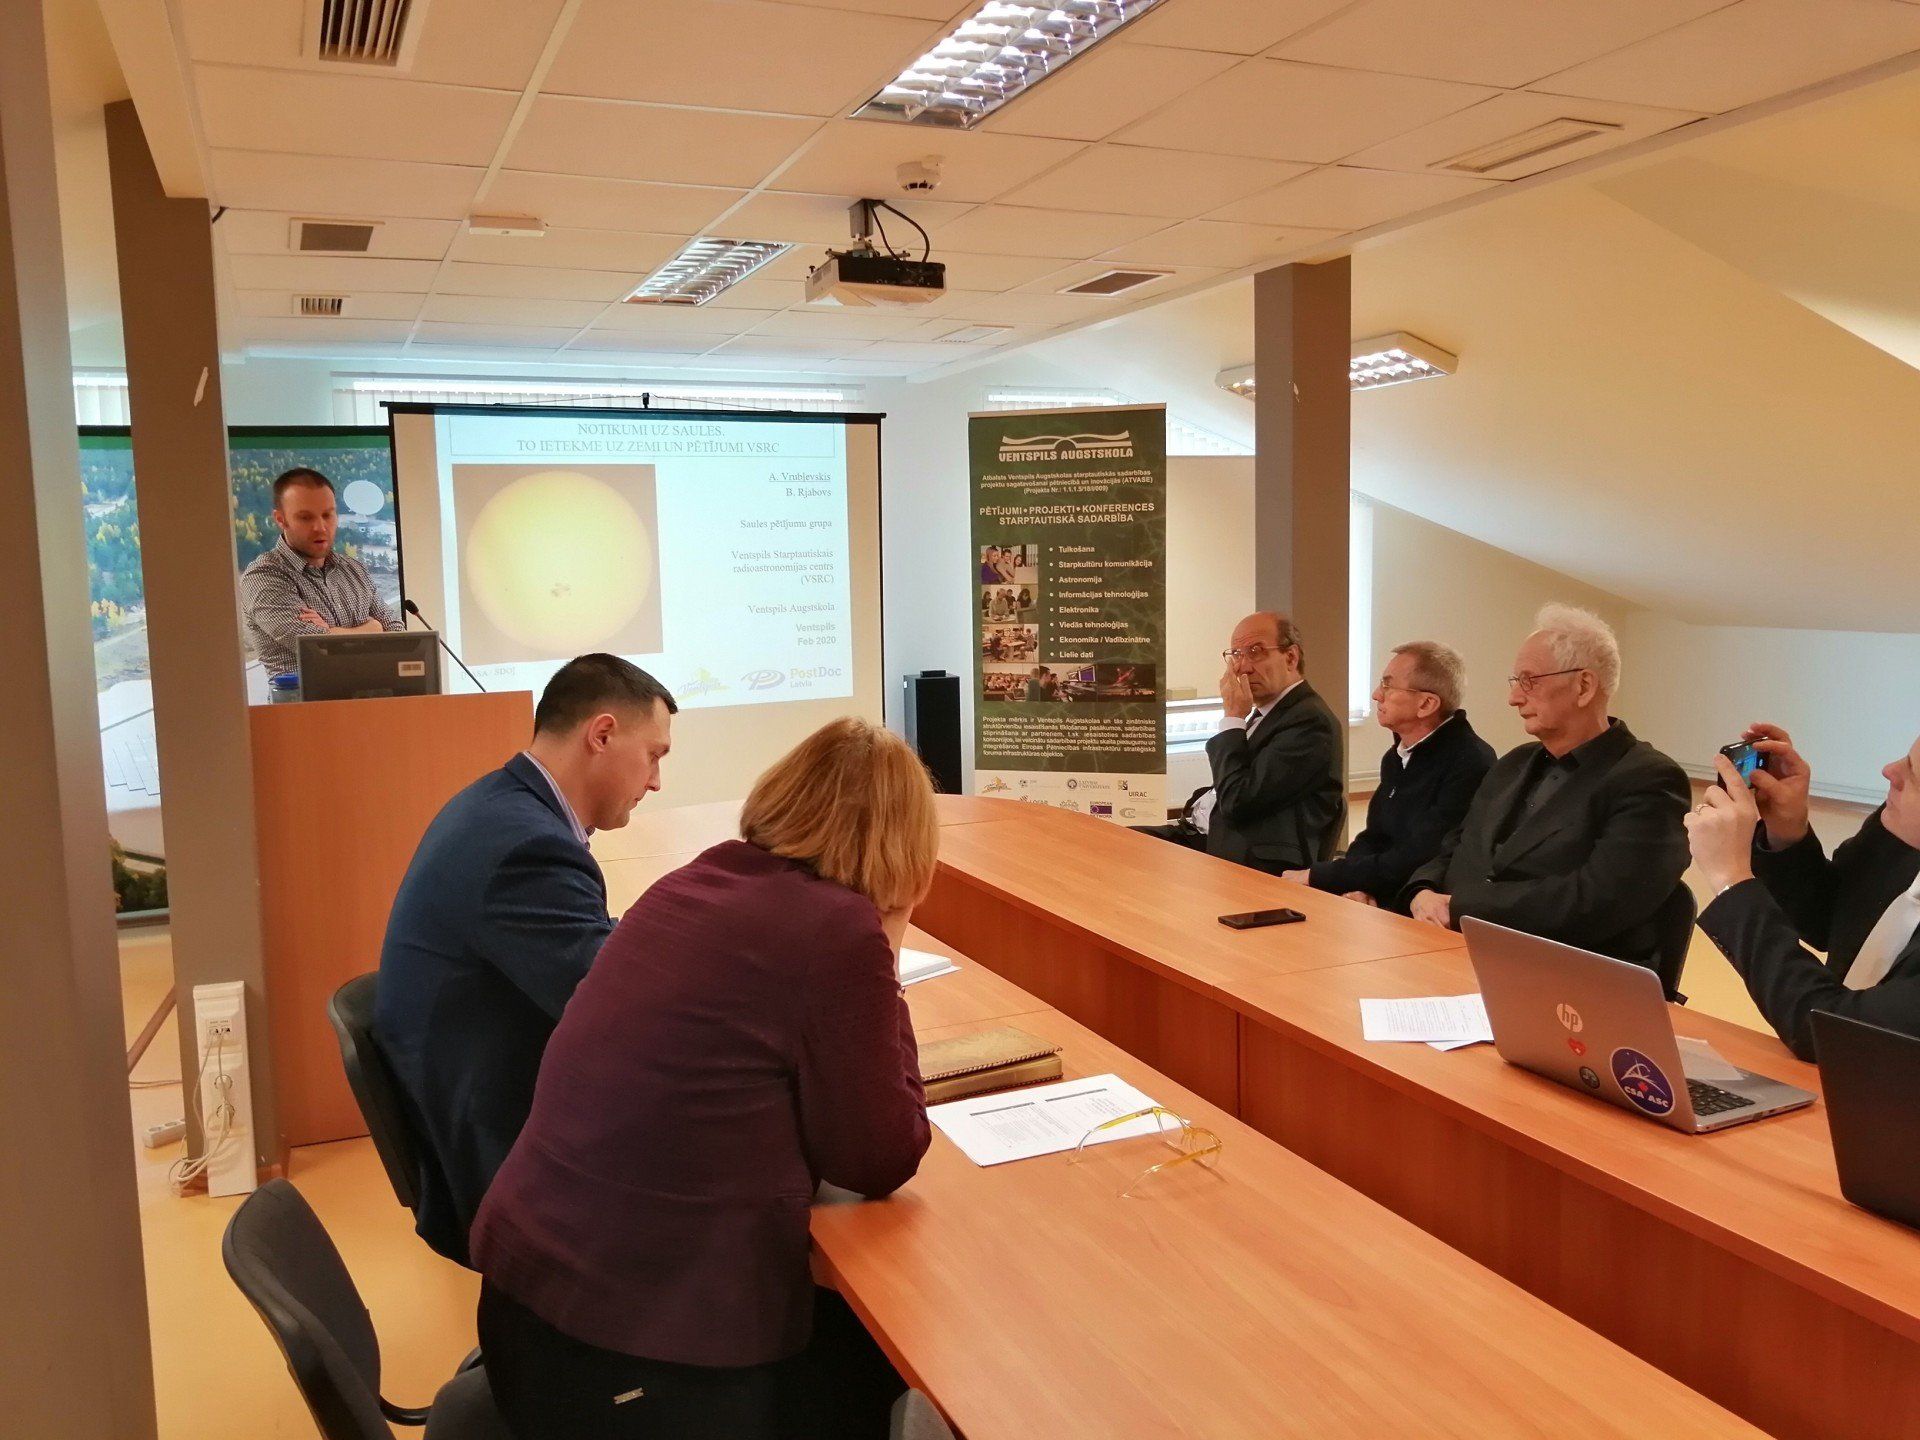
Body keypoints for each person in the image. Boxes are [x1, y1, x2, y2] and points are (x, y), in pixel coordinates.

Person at [470, 718, 934, 1440]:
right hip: (625, 1362)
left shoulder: (698, 878)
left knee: (854, 1347)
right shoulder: (837, 930)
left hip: (527, 1305)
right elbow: (880, 1157)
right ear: (904, 849)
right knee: (885, 1364)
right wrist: (889, 949)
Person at [375, 654, 676, 1263]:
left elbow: (594, 951)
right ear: (602, 734)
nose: (655, 782)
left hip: (480, 1094)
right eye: (654, 756)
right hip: (497, 1148)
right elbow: (617, 1010)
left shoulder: (502, 805)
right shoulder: (526, 846)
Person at [1400, 604, 1689, 965]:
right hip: (1459, 952)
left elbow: (1599, 900)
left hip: (1569, 973)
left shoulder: (1648, 779)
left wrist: (1462, 906)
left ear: (1584, 686)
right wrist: (1423, 889)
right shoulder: (1513, 763)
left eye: (1529, 681)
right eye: (1515, 682)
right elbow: (1457, 845)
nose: (1514, 698)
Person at [1687, 725, 1920, 1059]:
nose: (1889, 771)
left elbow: (1831, 1029)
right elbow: (1829, 921)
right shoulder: (1900, 832)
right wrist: (1786, 832)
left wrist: (1731, 879)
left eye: (1913, 776)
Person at [1286, 641, 1495, 911]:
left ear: (1426, 704)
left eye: (1387, 685)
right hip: (1383, 893)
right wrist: (1356, 886)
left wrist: (1321, 876)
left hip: (1423, 904)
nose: (1376, 695)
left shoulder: (1470, 762)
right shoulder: (1396, 756)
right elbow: (1374, 837)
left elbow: (1422, 855)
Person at [1134, 612, 1344, 875]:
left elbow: (1238, 801)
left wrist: (1233, 717)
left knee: (1125, 859)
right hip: (1207, 836)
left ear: (1291, 657)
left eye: (1255, 652)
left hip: (1249, 861)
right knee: (1110, 842)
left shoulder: (1310, 722)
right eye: (1236, 654)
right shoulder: (1269, 714)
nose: (1243, 667)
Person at [239, 466, 403, 676]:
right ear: (280, 519)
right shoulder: (264, 576)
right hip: (304, 698)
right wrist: (374, 628)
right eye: (305, 518)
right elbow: (318, 647)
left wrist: (330, 632)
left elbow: (397, 634)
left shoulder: (353, 569)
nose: (320, 527)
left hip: (373, 693)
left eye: (327, 515)